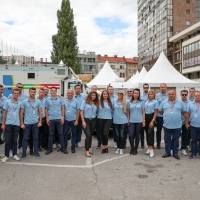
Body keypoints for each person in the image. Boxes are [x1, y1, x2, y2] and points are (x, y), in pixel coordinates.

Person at [159, 90, 186, 160]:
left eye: (172, 94)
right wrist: (166, 115)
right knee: (167, 139)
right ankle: (167, 152)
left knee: (175, 140)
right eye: (169, 94)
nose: (171, 95)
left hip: (177, 125)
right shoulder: (164, 102)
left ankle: (175, 153)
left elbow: (183, 111)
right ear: (168, 95)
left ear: (175, 95)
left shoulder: (180, 102)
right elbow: (160, 111)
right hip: (166, 125)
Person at [20, 87, 42, 158]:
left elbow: (40, 112)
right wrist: (22, 123)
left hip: (35, 123)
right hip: (27, 123)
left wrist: (40, 122)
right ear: (29, 92)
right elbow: (21, 113)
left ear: (35, 93)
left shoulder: (38, 101)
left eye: (34, 92)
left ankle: (36, 152)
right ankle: (24, 153)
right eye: (31, 92)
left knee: (35, 138)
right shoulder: (24, 102)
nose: (33, 93)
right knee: (25, 138)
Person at [45, 87, 68, 155]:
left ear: (56, 92)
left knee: (60, 133)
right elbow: (46, 109)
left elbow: (63, 108)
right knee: (51, 134)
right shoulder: (47, 100)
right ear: (50, 92)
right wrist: (47, 118)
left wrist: (63, 117)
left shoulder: (60, 99)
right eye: (52, 91)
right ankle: (49, 148)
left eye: (55, 91)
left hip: (59, 118)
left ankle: (63, 148)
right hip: (51, 119)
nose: (54, 92)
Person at [1, 88, 21, 163]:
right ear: (12, 94)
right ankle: (6, 155)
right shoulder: (7, 102)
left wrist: (21, 123)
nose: (16, 94)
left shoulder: (20, 103)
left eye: (17, 93)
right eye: (15, 93)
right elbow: (4, 113)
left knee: (15, 140)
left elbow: (21, 114)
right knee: (8, 140)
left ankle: (14, 154)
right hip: (8, 123)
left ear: (19, 94)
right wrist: (3, 124)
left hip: (16, 124)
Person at [8, 83, 28, 150]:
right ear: (16, 87)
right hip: (13, 117)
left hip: (22, 116)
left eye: (21, 87)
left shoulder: (25, 96)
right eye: (18, 87)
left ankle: (20, 146)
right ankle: (11, 148)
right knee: (12, 135)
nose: (20, 88)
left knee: (21, 133)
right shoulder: (10, 96)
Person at [80, 91, 99, 157]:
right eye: (92, 95)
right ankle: (87, 151)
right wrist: (83, 121)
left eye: (94, 95)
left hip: (93, 120)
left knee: (90, 135)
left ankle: (89, 148)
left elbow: (97, 111)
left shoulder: (96, 103)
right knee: (88, 135)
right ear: (89, 95)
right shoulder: (84, 102)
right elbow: (81, 111)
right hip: (86, 120)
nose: (93, 96)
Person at [113, 90, 129, 155]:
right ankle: (118, 147)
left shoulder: (126, 101)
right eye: (118, 93)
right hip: (115, 121)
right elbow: (112, 109)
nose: (119, 94)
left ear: (123, 95)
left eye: (120, 93)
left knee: (122, 135)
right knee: (117, 135)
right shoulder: (114, 100)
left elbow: (128, 112)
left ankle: (122, 148)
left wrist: (128, 120)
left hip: (123, 121)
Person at [129, 88, 145, 155]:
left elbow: (143, 112)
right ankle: (132, 148)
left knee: (137, 135)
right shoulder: (129, 102)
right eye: (135, 93)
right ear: (133, 93)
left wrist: (143, 121)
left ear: (139, 94)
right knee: (131, 135)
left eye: (137, 93)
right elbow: (128, 112)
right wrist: (128, 120)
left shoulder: (141, 102)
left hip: (139, 120)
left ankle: (135, 149)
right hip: (132, 121)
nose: (136, 94)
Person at [185, 91, 200, 159]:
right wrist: (186, 123)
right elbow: (187, 114)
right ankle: (193, 154)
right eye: (196, 96)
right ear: (194, 96)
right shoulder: (190, 104)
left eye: (198, 95)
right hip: (193, 125)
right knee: (193, 140)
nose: (197, 97)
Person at [144, 91, 158, 158]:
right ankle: (149, 147)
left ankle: (151, 149)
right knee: (147, 133)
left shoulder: (155, 102)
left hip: (151, 117)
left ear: (154, 95)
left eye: (151, 94)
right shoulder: (146, 102)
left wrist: (153, 121)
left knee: (150, 132)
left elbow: (156, 112)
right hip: (146, 117)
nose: (150, 95)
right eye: (149, 94)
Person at [155, 83, 168, 149]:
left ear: (166, 88)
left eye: (164, 87)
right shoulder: (157, 95)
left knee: (167, 131)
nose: (163, 88)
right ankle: (158, 144)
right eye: (161, 87)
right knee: (159, 130)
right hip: (159, 116)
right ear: (160, 88)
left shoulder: (169, 95)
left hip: (167, 116)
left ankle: (167, 144)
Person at [180, 90, 190, 156]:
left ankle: (183, 148)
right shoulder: (177, 102)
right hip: (177, 121)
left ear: (187, 95)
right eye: (183, 94)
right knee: (176, 136)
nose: (184, 96)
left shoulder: (190, 103)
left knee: (185, 136)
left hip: (186, 121)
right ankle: (174, 148)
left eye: (185, 95)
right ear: (180, 95)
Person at [140, 83, 149, 149]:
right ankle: (142, 143)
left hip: (148, 114)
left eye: (147, 87)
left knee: (149, 130)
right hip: (141, 114)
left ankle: (150, 143)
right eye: (145, 87)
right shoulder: (140, 96)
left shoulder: (150, 95)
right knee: (141, 130)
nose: (146, 89)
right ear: (143, 88)